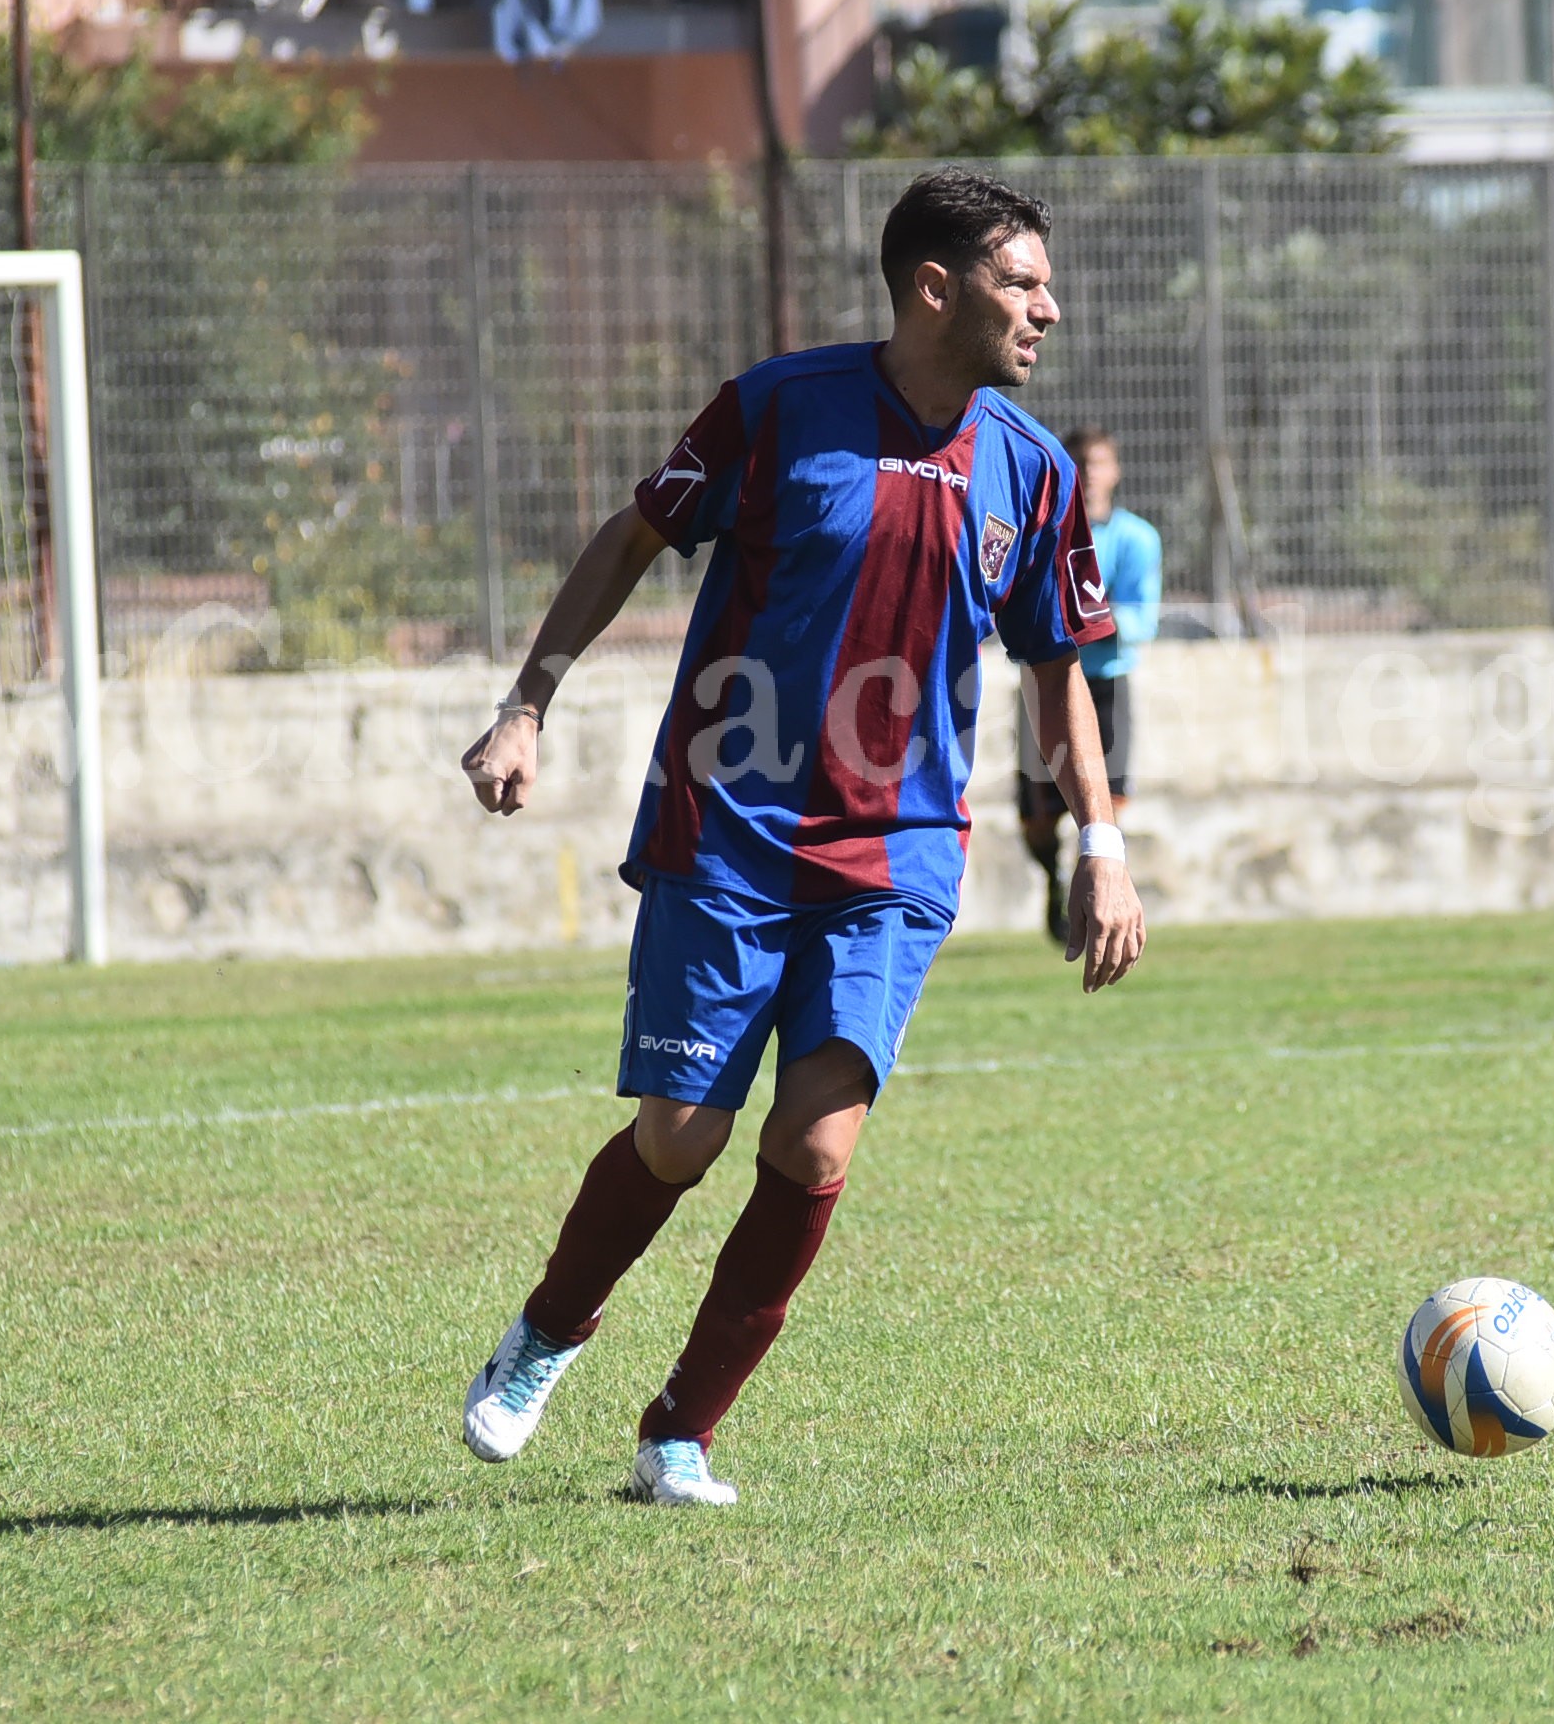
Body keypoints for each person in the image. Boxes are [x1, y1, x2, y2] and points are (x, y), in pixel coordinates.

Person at [454, 168, 1147, 1506]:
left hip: (894, 857)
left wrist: (1104, 843)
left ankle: (682, 1433)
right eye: (1024, 282)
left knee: (818, 1149)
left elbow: (1058, 665)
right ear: (935, 288)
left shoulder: (1034, 470)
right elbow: (634, 535)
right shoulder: (780, 408)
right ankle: (551, 1327)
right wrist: (526, 705)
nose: (1048, 310)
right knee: (680, 1138)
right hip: (731, 833)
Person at [1016, 428, 1161, 944]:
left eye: (1098, 463)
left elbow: (1141, 619)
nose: (1089, 473)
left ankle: (1100, 895)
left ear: (1114, 472)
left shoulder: (1137, 539)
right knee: (1037, 818)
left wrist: (1073, 619)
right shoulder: (1042, 531)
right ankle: (1053, 879)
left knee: (1109, 803)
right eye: (1078, 462)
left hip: (1108, 684)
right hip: (1046, 682)